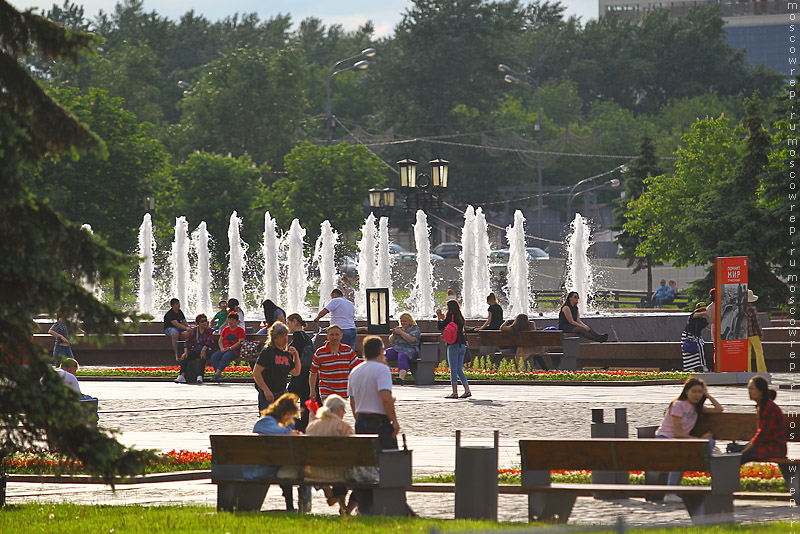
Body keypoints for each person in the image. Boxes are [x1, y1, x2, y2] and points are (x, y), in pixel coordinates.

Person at [347, 336, 402, 515]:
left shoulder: (355, 371)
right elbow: (385, 397)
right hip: (379, 423)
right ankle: (391, 503)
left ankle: (361, 504)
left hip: (361, 422)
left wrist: (358, 419)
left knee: (365, 465)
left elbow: (353, 402)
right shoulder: (382, 369)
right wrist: (394, 420)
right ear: (380, 351)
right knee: (389, 464)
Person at [655, 377, 723, 488]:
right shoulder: (678, 405)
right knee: (681, 458)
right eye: (694, 391)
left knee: (710, 442)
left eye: (700, 392)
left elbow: (719, 409)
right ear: (687, 391)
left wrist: (708, 395)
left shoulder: (697, 407)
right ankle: (671, 490)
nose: (697, 395)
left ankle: (698, 462)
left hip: (681, 441)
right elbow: (677, 433)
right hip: (666, 438)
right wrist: (699, 440)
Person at [249, 392, 311, 513]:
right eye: (289, 415)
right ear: (283, 412)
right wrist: (291, 432)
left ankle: (293, 506)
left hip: (271, 463)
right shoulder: (266, 422)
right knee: (302, 472)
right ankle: (301, 505)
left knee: (300, 469)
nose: (288, 419)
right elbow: (280, 432)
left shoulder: (268, 422)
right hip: (263, 467)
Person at [305, 394, 355, 515]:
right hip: (338, 471)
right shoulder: (343, 427)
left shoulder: (312, 426)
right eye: (344, 410)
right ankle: (347, 508)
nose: (344, 413)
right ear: (339, 410)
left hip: (315, 471)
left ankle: (337, 501)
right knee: (363, 475)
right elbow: (354, 451)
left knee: (337, 466)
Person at [740, 376, 791, 488]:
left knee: (739, 456)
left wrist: (747, 448)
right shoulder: (761, 406)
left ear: (761, 391)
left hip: (774, 448)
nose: (749, 392)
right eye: (748, 389)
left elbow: (763, 434)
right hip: (765, 445)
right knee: (734, 451)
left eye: (752, 389)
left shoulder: (769, 407)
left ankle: (727, 488)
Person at [253, 322, 301, 411]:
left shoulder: (285, 353)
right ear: (275, 337)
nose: (285, 339)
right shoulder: (268, 352)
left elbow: (296, 372)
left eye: (286, 335)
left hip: (282, 392)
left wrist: (296, 355)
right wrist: (265, 390)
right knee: (269, 420)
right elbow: (256, 372)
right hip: (269, 393)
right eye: (282, 336)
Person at [309, 324, 359, 401]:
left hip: (343, 390)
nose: (334, 337)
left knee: (339, 412)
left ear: (341, 336)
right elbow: (313, 372)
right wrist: (312, 390)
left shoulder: (347, 350)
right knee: (329, 411)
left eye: (337, 335)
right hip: (326, 390)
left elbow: (358, 367)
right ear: (327, 336)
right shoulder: (320, 352)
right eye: (332, 335)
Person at [437, 299, 471, 399]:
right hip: (462, 346)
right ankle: (467, 390)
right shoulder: (460, 317)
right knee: (459, 370)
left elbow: (440, 327)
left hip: (453, 345)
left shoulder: (450, 316)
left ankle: (454, 392)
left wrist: (439, 317)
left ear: (449, 308)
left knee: (453, 369)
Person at [287, 313, 314, 431]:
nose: (287, 326)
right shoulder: (306, 336)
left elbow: (293, 356)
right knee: (305, 403)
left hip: (299, 374)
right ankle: (304, 427)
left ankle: (298, 426)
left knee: (287, 403)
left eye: (288, 323)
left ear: (294, 321)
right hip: (307, 374)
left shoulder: (297, 336)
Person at [175, 313, 215, 384]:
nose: (204, 323)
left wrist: (203, 350)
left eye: (205, 321)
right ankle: (182, 376)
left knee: (202, 356)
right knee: (186, 357)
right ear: (198, 323)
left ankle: (200, 376)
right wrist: (185, 352)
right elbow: (188, 341)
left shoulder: (208, 330)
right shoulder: (194, 330)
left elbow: (209, 342)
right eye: (202, 321)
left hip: (206, 350)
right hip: (197, 350)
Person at [385, 312, 421, 384]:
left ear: (409, 321)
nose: (402, 322)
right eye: (401, 321)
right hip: (397, 348)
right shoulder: (399, 328)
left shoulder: (414, 328)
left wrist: (401, 333)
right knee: (385, 354)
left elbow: (412, 339)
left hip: (410, 349)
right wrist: (393, 334)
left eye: (404, 321)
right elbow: (391, 341)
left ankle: (401, 378)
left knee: (402, 355)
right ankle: (383, 376)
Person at [209, 312, 246, 381]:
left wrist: (230, 348)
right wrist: (222, 348)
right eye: (229, 319)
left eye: (232, 320)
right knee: (214, 357)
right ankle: (218, 374)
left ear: (237, 321)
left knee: (226, 356)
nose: (230, 321)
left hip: (234, 350)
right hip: (224, 349)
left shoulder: (240, 330)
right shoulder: (226, 329)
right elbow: (220, 340)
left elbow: (240, 342)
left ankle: (217, 374)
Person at [681, 302, 710, 372]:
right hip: (688, 338)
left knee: (700, 350)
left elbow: (710, 327)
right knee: (688, 353)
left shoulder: (702, 320)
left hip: (697, 338)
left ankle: (702, 365)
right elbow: (695, 315)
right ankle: (690, 367)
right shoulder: (692, 316)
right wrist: (706, 313)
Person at [746, 290, 767, 373]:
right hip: (754, 334)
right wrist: (760, 334)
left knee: (747, 353)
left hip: (744, 334)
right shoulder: (752, 309)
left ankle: (748, 371)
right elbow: (756, 323)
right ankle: (762, 371)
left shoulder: (740, 309)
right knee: (759, 352)